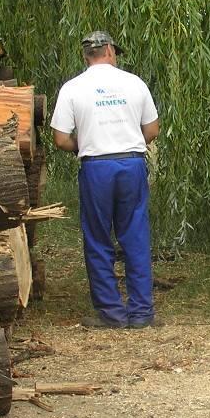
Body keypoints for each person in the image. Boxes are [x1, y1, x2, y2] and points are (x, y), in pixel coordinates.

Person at [51, 30, 160, 328]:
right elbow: (152, 131)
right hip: (131, 163)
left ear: (86, 55)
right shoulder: (134, 83)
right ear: (111, 51)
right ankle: (141, 313)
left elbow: (60, 139)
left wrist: (85, 143)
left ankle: (111, 313)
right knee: (135, 236)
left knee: (98, 238)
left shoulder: (72, 88)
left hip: (96, 166)